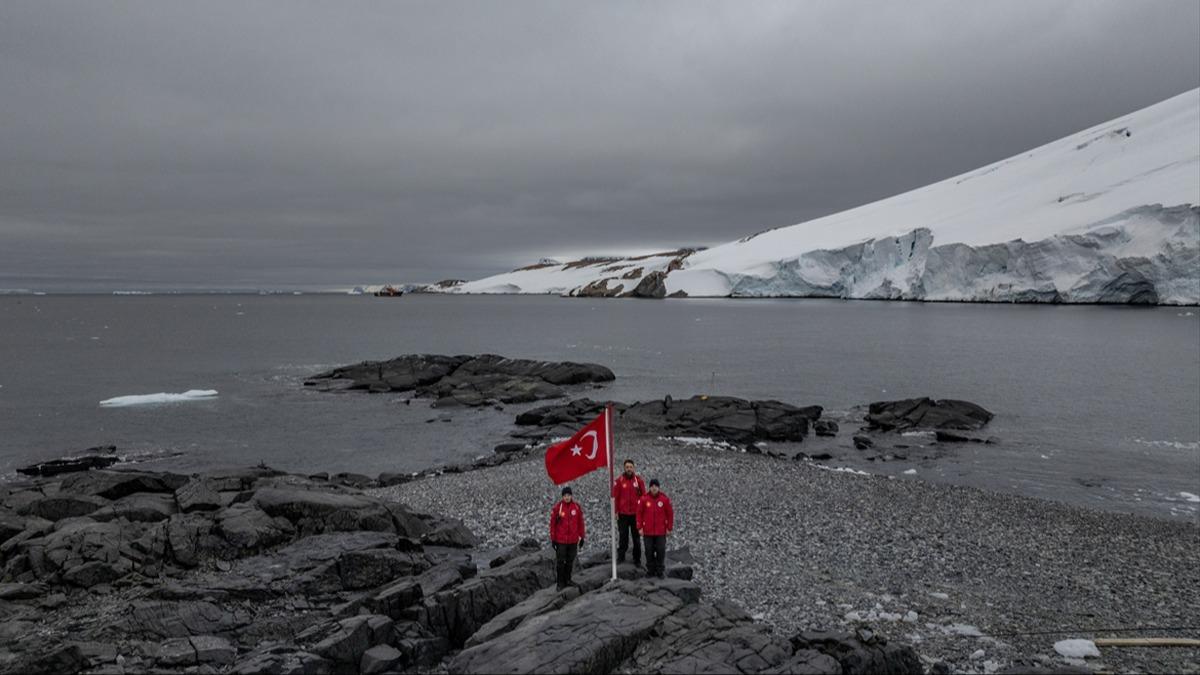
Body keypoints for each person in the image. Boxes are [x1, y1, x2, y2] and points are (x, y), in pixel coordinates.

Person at [549, 485, 585, 589]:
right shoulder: (557, 508)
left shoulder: (576, 507)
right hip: (561, 540)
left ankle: (568, 579)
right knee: (560, 562)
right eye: (565, 495)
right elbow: (552, 524)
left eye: (568, 495)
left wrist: (582, 537)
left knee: (570, 561)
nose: (567, 497)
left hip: (573, 540)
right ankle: (560, 583)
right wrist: (553, 539)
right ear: (562, 497)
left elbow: (581, 523)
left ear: (571, 495)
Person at [636, 478, 674, 578]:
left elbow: (670, 514)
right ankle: (650, 570)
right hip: (647, 531)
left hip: (660, 531)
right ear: (649, 487)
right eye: (652, 486)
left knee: (661, 550)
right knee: (649, 551)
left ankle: (660, 570)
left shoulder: (664, 499)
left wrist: (669, 528)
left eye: (656, 486)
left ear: (658, 487)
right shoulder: (644, 499)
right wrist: (639, 527)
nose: (654, 488)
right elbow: (639, 514)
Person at [611, 458, 645, 566]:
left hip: (636, 514)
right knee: (623, 537)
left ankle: (637, 559)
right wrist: (615, 512)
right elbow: (615, 497)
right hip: (623, 514)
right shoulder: (619, 481)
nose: (629, 469)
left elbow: (644, 497)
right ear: (624, 468)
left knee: (636, 539)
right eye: (627, 467)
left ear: (633, 468)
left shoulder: (639, 481)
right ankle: (621, 557)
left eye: (630, 467)